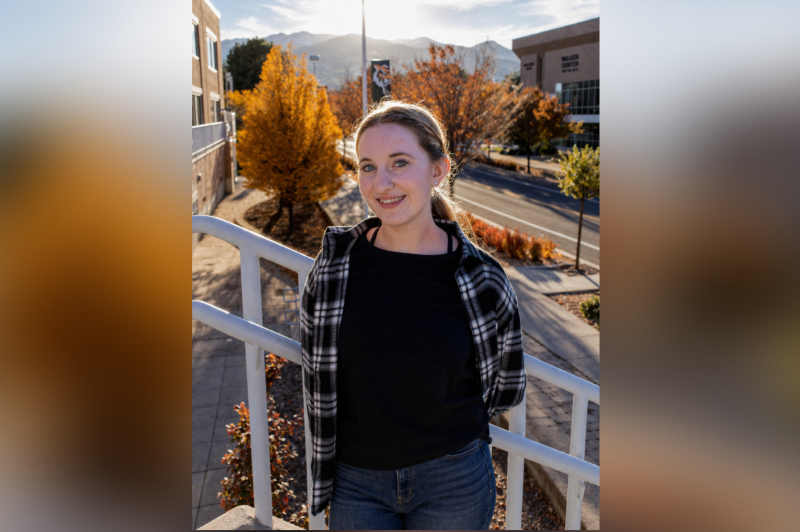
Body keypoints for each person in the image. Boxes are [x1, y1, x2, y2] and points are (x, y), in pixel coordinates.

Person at [300, 100, 526, 530]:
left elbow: (506, 385)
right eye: (367, 166)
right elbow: (318, 369)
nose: (381, 183)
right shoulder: (333, 268)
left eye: (399, 162)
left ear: (438, 170)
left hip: (454, 480)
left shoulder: (482, 278)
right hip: (357, 480)